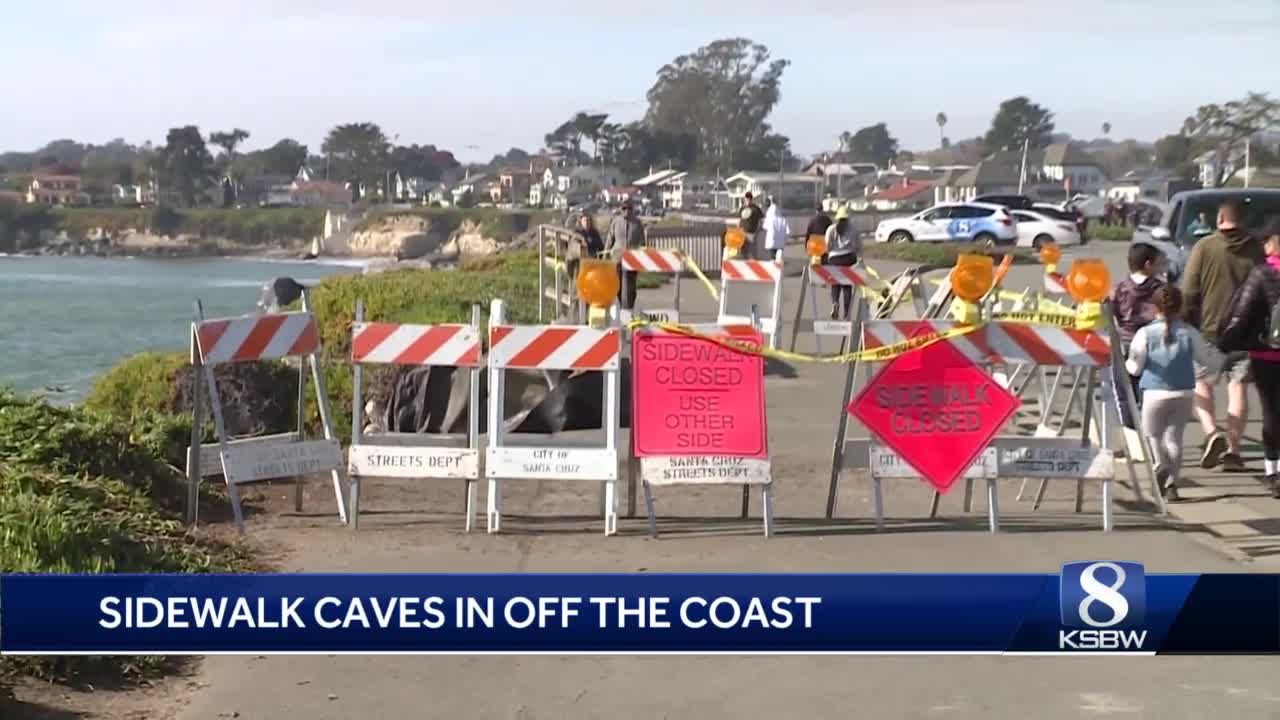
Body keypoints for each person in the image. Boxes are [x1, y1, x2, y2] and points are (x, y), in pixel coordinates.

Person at [1182, 200, 1265, 471]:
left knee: (1202, 385)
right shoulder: (1256, 249)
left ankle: (1210, 432)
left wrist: (1185, 322)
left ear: (1219, 219)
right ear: (1242, 220)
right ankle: (1234, 449)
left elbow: (1190, 291)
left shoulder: (1204, 247)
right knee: (1238, 388)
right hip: (1246, 332)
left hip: (1208, 330)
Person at [1127, 286, 1224, 501]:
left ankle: (1159, 463)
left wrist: (1126, 363)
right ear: (1180, 307)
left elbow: (1134, 367)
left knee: (1153, 435)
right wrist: (1222, 359)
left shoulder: (1145, 333)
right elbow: (1206, 360)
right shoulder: (1189, 332)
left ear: (1154, 308)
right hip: (1183, 392)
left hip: (1153, 392)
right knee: (1175, 438)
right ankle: (1172, 484)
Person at [1217, 218, 1280, 496]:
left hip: (1267, 353)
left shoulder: (1261, 274)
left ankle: (1272, 470)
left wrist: (1227, 342)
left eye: (1266, 240)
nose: (1263, 245)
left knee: (1271, 410)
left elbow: (1242, 312)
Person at [1112, 243, 1167, 427]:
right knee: (1149, 386)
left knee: (1124, 389)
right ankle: (1149, 423)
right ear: (1148, 264)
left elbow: (1113, 313)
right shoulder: (1160, 287)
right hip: (1154, 344)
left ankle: (1129, 427)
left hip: (1126, 344)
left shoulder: (1120, 287)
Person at [606, 201, 645, 310]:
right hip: (617, 258)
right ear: (620, 209)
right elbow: (610, 239)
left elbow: (642, 242)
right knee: (618, 285)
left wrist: (642, 258)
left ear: (632, 210)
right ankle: (622, 304)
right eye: (624, 208)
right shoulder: (616, 222)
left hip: (633, 258)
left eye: (629, 208)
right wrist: (606, 254)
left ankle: (629, 307)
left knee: (631, 286)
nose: (626, 211)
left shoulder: (638, 223)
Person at [824, 207, 860, 319]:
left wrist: (829, 253)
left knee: (835, 284)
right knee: (847, 286)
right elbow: (858, 245)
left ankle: (835, 302)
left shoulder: (831, 229)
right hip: (849, 258)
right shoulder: (853, 229)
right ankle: (846, 314)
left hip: (834, 259)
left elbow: (827, 245)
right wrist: (858, 257)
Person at [737, 192, 764, 260]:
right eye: (746, 199)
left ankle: (754, 263)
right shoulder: (742, 208)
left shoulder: (756, 208)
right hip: (742, 232)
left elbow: (761, 220)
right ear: (744, 199)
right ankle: (744, 262)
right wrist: (738, 229)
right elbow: (739, 219)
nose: (747, 201)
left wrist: (758, 229)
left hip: (752, 232)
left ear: (751, 200)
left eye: (749, 199)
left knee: (752, 249)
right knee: (743, 249)